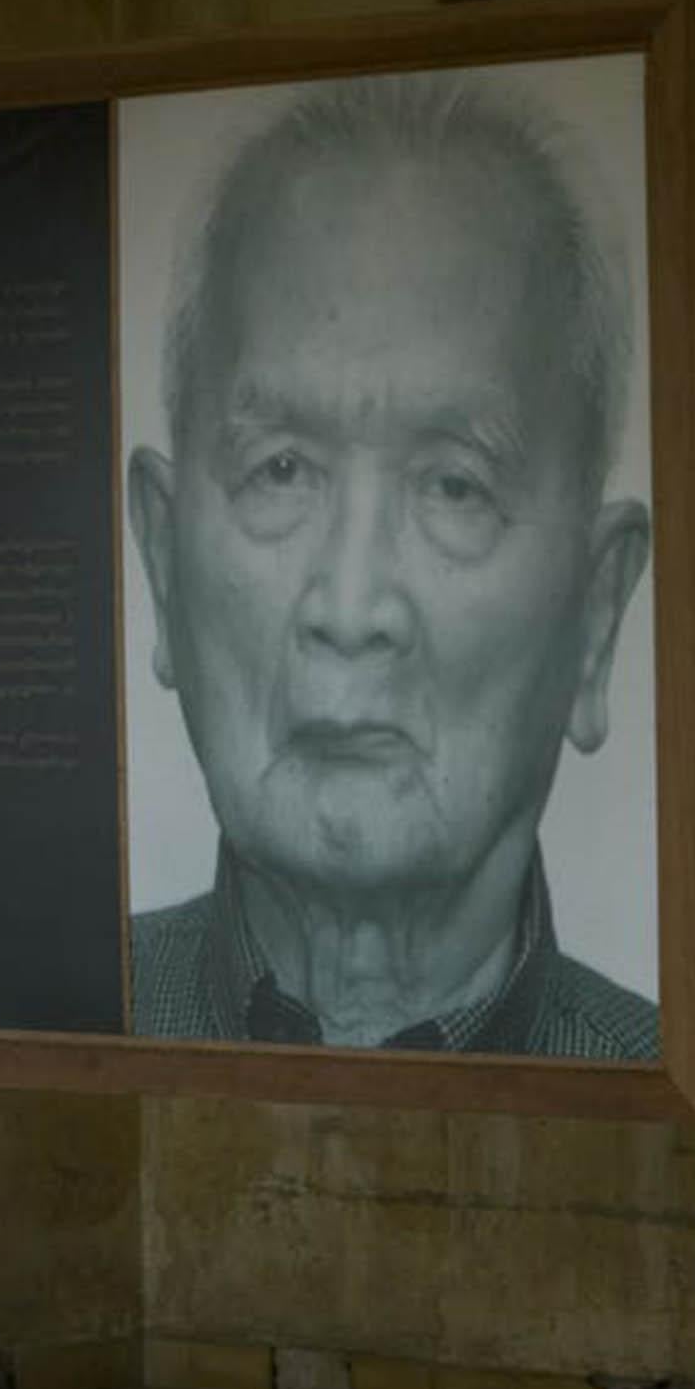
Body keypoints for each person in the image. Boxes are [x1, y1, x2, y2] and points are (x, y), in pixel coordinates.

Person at [125, 76, 658, 1058]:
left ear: (596, 617)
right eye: (280, 470)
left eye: (452, 487)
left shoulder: (645, 1079)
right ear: (162, 564)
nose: (350, 604)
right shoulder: (71, 1027)